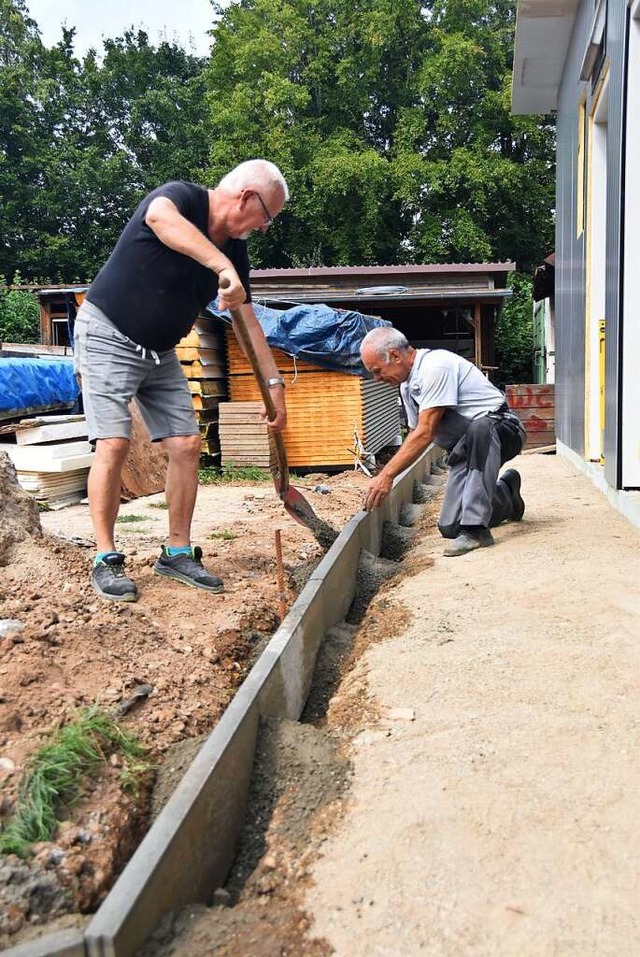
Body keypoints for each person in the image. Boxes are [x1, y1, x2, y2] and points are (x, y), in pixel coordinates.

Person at [73, 159, 289, 601]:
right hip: (107, 334)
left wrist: (274, 386)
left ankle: (176, 551)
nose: (266, 228)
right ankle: (105, 556)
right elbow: (159, 219)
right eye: (267, 215)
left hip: (161, 352)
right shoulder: (183, 198)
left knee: (187, 444)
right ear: (247, 196)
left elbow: (247, 321)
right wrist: (220, 266)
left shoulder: (237, 252)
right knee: (113, 442)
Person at [359, 327, 526, 557]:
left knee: (481, 427)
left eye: (377, 371)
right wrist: (390, 473)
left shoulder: (435, 367)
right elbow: (414, 435)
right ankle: (506, 493)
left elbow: (426, 431)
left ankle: (477, 531)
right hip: (466, 448)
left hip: (503, 430)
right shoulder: (407, 386)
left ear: (395, 356)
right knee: (451, 527)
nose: (377, 379)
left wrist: (386, 476)